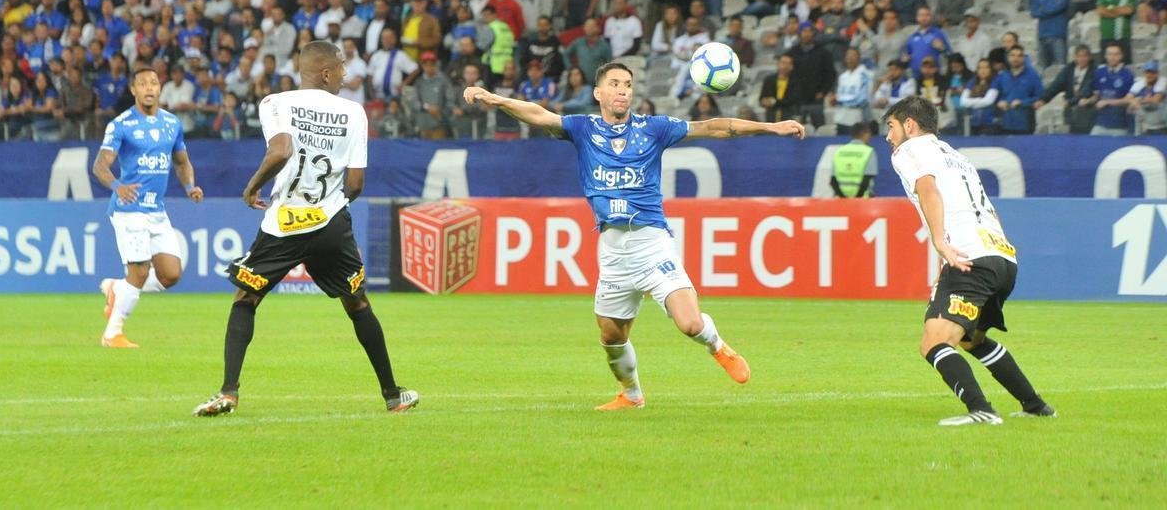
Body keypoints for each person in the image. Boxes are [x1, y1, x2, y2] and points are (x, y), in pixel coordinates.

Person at [463, 62, 805, 410]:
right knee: (611, 336)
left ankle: (718, 346)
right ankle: (631, 394)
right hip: (611, 247)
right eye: (615, 83)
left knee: (688, 323)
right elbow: (538, 114)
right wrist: (495, 98)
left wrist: (769, 126)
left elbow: (713, 127)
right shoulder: (583, 128)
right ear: (599, 93)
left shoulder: (654, 128)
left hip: (651, 242)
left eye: (628, 83)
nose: (623, 90)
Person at [193, 41, 418, 417]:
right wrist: (332, 211)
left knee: (246, 299)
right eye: (341, 68)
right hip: (331, 221)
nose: (346, 74)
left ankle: (229, 392)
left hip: (284, 222)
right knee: (358, 303)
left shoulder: (276, 103)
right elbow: (357, 183)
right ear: (325, 73)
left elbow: (280, 151)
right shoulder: (354, 113)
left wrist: (252, 187)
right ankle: (393, 396)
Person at [884, 95, 1055, 425]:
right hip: (1001, 256)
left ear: (909, 125)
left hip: (969, 257)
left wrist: (939, 241)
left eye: (891, 127)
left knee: (934, 341)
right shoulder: (958, 157)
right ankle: (1035, 406)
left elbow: (927, 189)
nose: (888, 136)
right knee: (970, 338)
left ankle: (983, 411)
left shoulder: (910, 150)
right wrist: (1002, 246)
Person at [91, 67, 205, 348]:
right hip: (129, 208)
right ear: (133, 90)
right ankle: (112, 333)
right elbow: (100, 165)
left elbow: (181, 161)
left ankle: (118, 288)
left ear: (160, 88)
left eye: (154, 83)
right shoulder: (121, 124)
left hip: (157, 210)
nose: (149, 88)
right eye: (142, 84)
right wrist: (118, 186)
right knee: (139, 271)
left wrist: (190, 187)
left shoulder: (171, 123)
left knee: (171, 274)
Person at [1035, 45, 1098, 134]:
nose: (1082, 59)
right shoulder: (1069, 69)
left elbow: (1086, 90)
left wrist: (1070, 102)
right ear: (1075, 57)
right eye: (1079, 56)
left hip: (1086, 112)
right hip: (1070, 111)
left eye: (1085, 56)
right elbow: (1056, 85)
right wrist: (1043, 99)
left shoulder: (1094, 71)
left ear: (1090, 57)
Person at [995, 46, 1043, 134]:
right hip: (1004, 124)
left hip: (1025, 124)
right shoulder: (1002, 76)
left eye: (1019, 56)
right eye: (1012, 55)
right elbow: (995, 95)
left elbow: (1040, 97)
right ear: (1007, 57)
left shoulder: (1033, 75)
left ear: (1024, 58)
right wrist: (1000, 101)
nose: (1015, 58)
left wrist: (1022, 102)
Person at [1029, 0, 1071, 68]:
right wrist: (1049, 9)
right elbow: (1034, 12)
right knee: (1043, 69)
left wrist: (1043, 10)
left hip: (1058, 36)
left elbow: (1057, 7)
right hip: (1042, 36)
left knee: (1061, 68)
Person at [1091, 43, 1135, 135]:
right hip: (1100, 123)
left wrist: (1107, 102)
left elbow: (1129, 100)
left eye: (1116, 54)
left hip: (1119, 125)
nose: (1112, 57)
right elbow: (1096, 94)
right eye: (1110, 54)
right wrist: (1088, 100)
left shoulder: (1127, 75)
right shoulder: (1099, 72)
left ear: (1121, 56)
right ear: (1105, 56)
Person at [830, 121, 877, 197]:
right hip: (863, 201)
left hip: (841, 202)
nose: (870, 136)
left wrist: (844, 199)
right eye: (869, 133)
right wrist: (856, 199)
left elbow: (833, 181)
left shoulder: (839, 151)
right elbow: (867, 180)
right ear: (865, 134)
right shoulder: (868, 152)